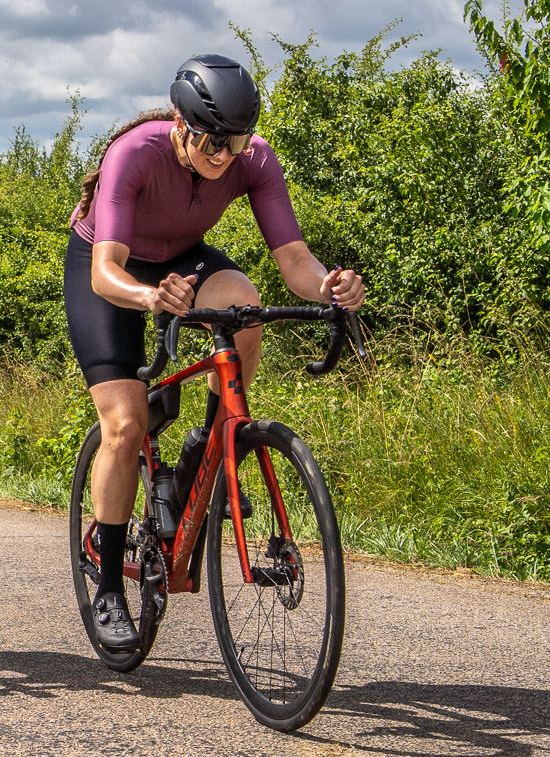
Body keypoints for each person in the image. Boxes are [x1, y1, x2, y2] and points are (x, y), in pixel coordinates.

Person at [65, 54, 364, 650]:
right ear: (180, 123)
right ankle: (107, 585)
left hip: (182, 260)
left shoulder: (253, 159)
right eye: (210, 141)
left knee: (246, 309)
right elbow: (105, 272)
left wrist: (330, 285)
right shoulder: (136, 152)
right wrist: (150, 297)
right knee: (124, 427)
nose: (223, 155)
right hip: (112, 268)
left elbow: (294, 261)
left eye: (235, 142)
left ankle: (203, 451)